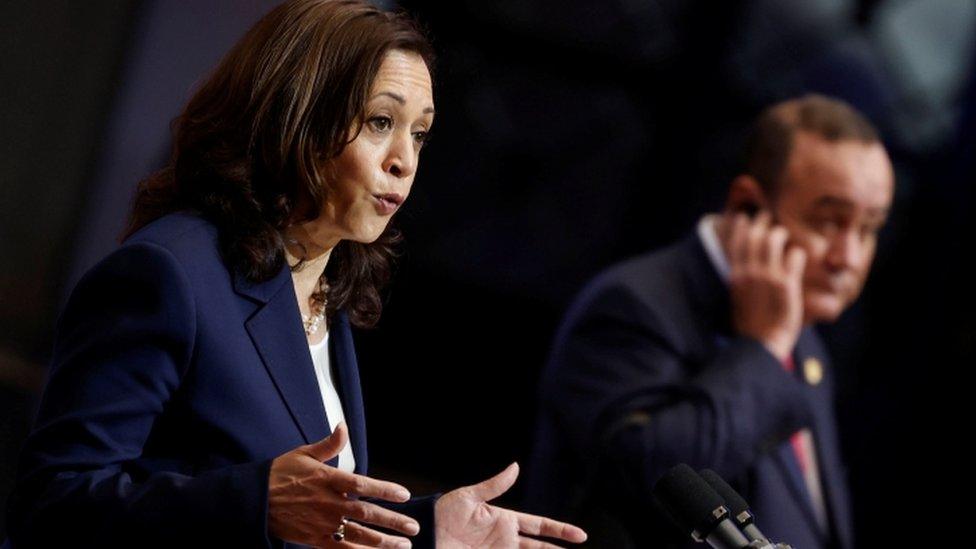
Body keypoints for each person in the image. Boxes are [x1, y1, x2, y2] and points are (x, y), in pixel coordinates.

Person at [3, 1, 588, 548]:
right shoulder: (169, 274)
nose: (404, 160)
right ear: (296, 118)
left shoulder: (322, 291)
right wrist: (254, 502)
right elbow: (50, 506)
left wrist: (425, 530)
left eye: (419, 133)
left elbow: (307, 516)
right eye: (381, 121)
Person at [525, 94, 893, 548]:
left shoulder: (807, 338)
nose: (850, 258)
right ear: (747, 208)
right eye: (828, 222)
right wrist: (764, 348)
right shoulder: (634, 303)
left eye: (868, 228)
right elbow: (649, 479)